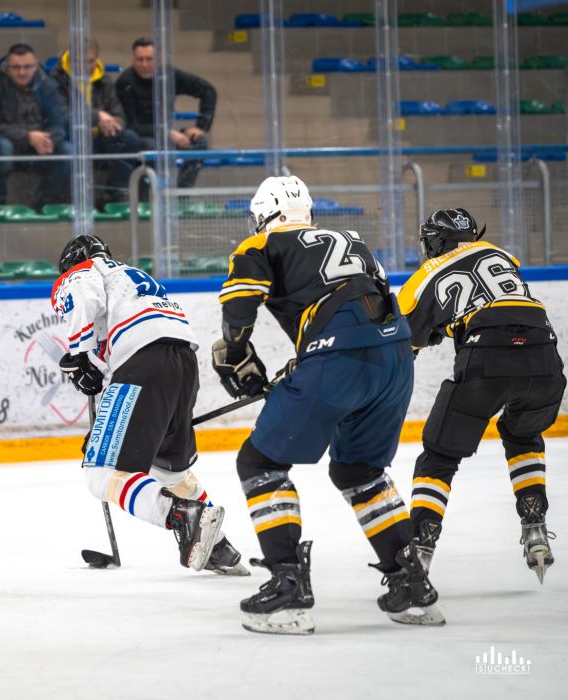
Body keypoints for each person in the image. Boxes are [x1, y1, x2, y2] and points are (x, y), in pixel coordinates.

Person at [213, 175, 442, 634]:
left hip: (339, 359)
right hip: (395, 358)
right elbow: (368, 301)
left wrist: (235, 353)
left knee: (259, 463)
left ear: (263, 216)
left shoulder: (261, 243)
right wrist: (312, 360)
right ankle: (412, 586)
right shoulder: (354, 240)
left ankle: (287, 587)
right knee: (359, 471)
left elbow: (240, 304)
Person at [52, 234, 248, 576]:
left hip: (144, 362)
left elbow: (82, 293)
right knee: (169, 470)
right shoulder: (132, 277)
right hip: (183, 362)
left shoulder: (84, 271)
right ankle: (218, 548)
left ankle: (180, 516)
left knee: (100, 472)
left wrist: (79, 355)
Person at [398, 208, 565, 583]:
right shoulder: (501, 255)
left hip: (486, 355)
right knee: (523, 435)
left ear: (435, 242)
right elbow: (499, 301)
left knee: (439, 455)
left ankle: (421, 547)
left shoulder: (428, 272)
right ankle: (535, 527)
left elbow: (404, 340)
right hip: (545, 353)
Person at [115, 37, 215, 190]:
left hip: (166, 135)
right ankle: (147, 196)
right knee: (152, 147)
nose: (144, 65)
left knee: (199, 143)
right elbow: (131, 125)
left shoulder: (169, 75)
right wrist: (167, 133)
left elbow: (208, 90)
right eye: (140, 60)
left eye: (149, 59)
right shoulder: (125, 82)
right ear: (133, 60)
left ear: (159, 60)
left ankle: (182, 193)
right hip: (140, 137)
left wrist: (201, 127)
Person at [50, 40, 141, 206]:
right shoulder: (56, 80)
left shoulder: (104, 81)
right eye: (79, 61)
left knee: (129, 138)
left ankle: (116, 192)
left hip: (99, 137)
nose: (85, 66)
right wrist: (97, 116)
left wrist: (113, 123)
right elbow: (62, 118)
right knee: (70, 146)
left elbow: (119, 113)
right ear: (70, 59)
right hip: (70, 137)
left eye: (90, 61)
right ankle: (65, 198)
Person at [0, 43, 70, 209]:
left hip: (39, 144)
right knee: (2, 147)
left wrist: (49, 140)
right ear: (7, 67)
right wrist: (27, 136)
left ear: (35, 66)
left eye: (27, 67)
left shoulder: (47, 82)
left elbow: (59, 121)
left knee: (68, 151)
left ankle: (42, 205)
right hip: (9, 141)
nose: (22, 72)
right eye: (16, 67)